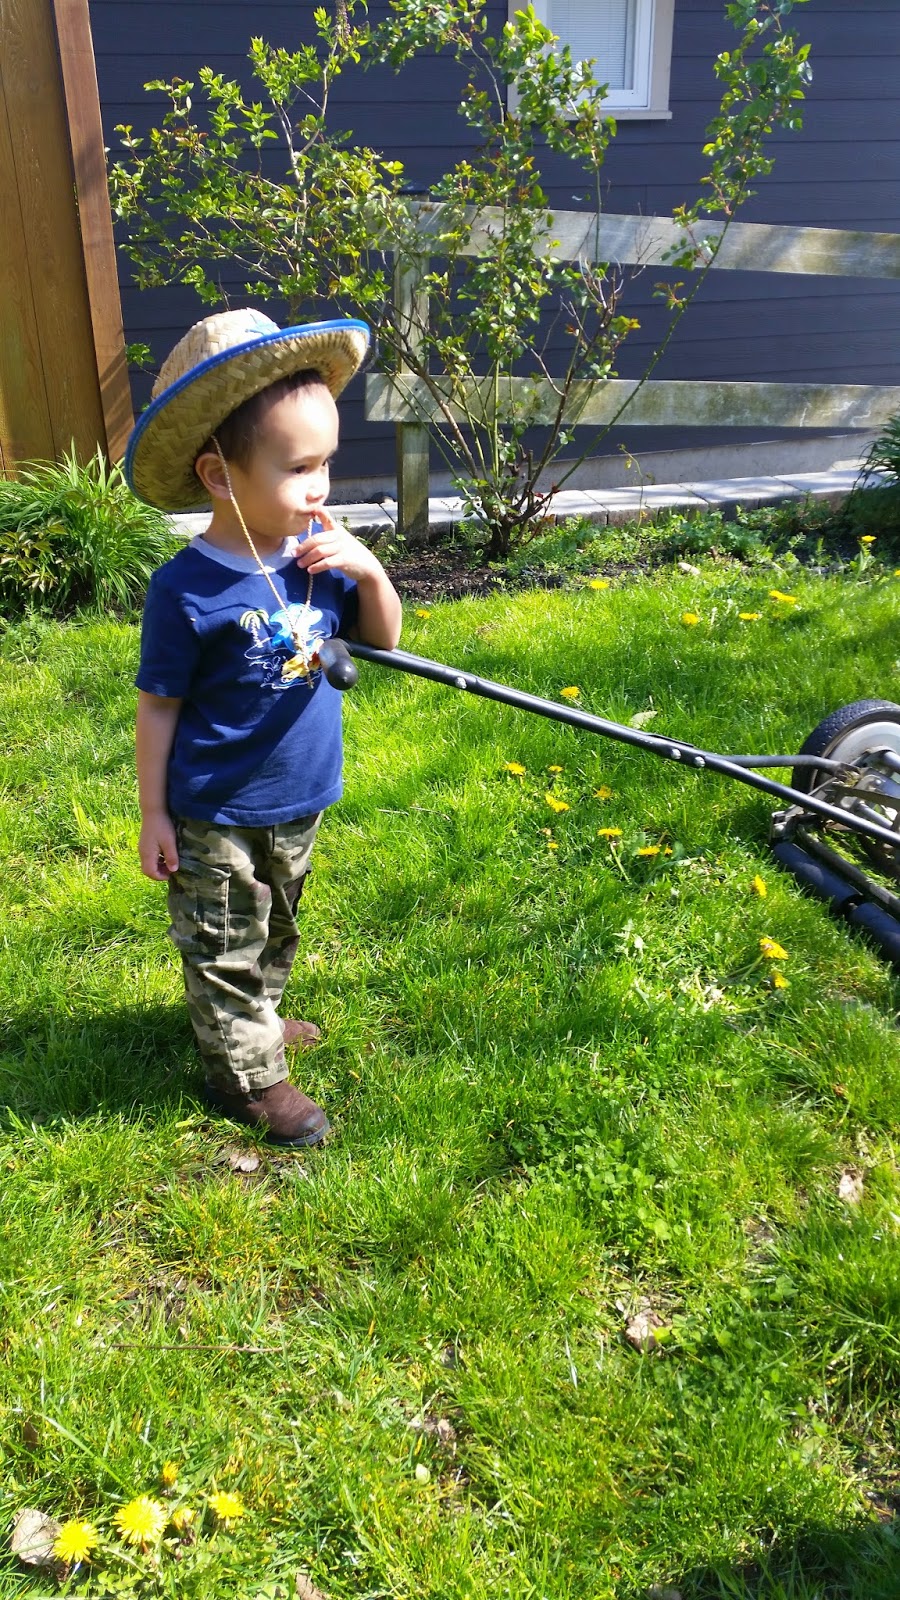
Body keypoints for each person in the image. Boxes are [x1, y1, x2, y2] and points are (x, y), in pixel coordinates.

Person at [126, 309, 402, 1147]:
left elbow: (385, 643)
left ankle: (259, 1018)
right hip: (215, 808)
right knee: (221, 938)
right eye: (299, 468)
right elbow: (159, 705)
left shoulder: (319, 556)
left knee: (276, 924)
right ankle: (247, 1078)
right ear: (219, 474)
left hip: (300, 795)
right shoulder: (186, 591)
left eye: (327, 463)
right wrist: (153, 813)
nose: (321, 488)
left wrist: (371, 568)